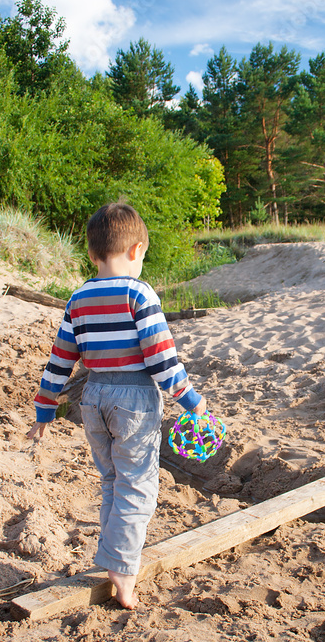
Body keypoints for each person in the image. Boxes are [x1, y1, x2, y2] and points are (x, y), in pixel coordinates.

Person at [27, 203, 206, 609]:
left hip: (92, 399)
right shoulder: (138, 292)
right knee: (138, 486)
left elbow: (60, 359)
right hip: (134, 400)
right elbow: (161, 356)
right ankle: (123, 572)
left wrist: (44, 409)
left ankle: (111, 557)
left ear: (92, 254)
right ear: (136, 250)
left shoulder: (78, 298)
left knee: (111, 481)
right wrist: (189, 399)